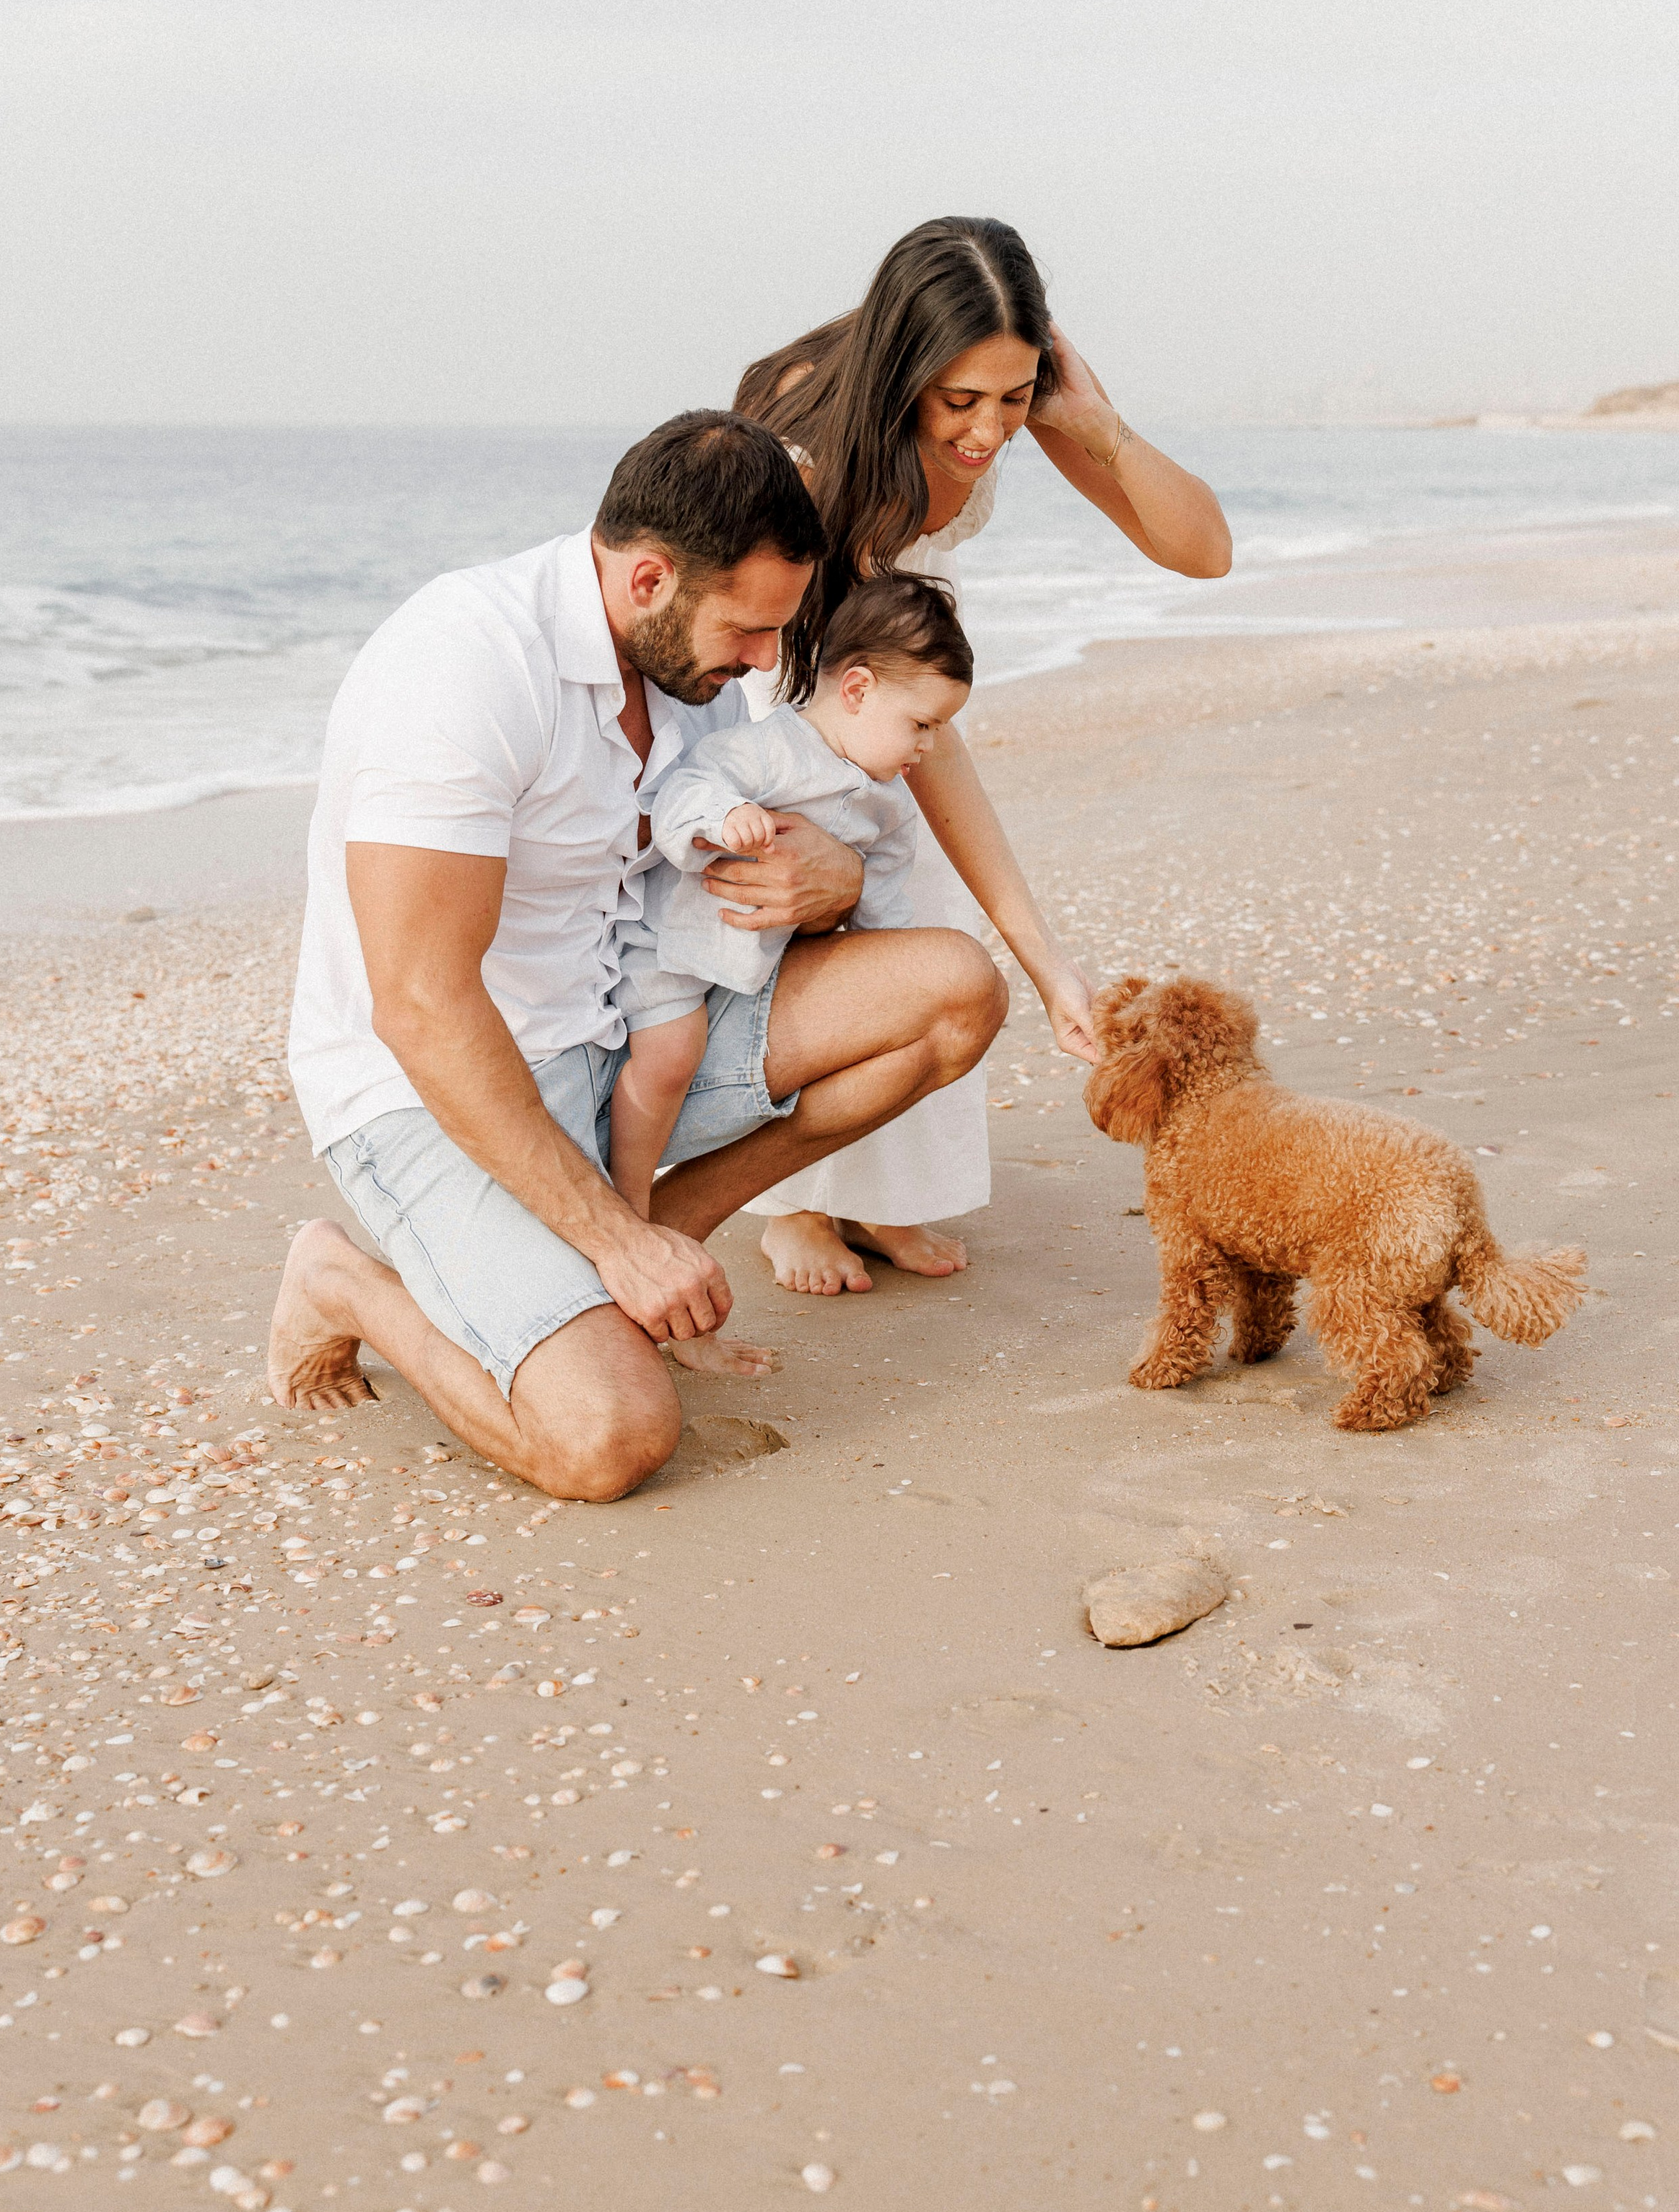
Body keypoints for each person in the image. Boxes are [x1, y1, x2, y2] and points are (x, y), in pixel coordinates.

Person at [270, 411, 1007, 1503]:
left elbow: (717, 884)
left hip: (629, 1039)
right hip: (437, 1093)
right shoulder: (464, 664)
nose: (766, 663)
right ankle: (347, 1284)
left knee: (955, 992)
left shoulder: (691, 687)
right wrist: (609, 1242)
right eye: (751, 632)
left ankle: (656, 1245)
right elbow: (420, 1006)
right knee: (605, 1439)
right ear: (651, 576)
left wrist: (834, 882)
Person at [725, 214, 1232, 1297]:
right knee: (844, 903)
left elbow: (1205, 552)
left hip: (898, 657)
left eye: (1013, 398)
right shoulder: (810, 454)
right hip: (788, 666)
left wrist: (1093, 425)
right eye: (961, 402)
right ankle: (794, 1204)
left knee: (931, 901)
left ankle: (875, 1197)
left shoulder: (1007, 403)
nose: (989, 433)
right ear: (905, 368)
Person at [608, 572, 973, 1217]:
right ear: (857, 689)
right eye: (921, 723)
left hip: (753, 970)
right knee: (667, 1060)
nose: (929, 745)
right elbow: (681, 791)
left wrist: (883, 973)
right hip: (672, 949)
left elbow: (884, 913)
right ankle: (630, 1203)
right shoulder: (771, 750)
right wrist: (721, 819)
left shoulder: (887, 808)